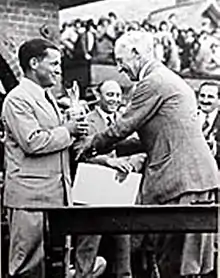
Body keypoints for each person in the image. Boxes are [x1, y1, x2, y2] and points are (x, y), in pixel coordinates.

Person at [75, 31, 219, 278]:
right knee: (182, 264)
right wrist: (114, 149)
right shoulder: (167, 78)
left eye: (121, 60)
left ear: (136, 54)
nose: (119, 68)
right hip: (192, 179)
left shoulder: (152, 82)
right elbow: (156, 136)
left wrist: (88, 147)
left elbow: (122, 127)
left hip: (182, 182)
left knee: (178, 265)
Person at [1, 38, 91, 278]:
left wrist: (76, 130)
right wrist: (68, 130)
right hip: (30, 199)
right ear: (34, 63)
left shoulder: (47, 97)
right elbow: (33, 141)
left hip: (54, 197)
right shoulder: (17, 99)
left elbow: (57, 139)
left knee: (56, 265)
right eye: (54, 63)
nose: (59, 70)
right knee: (27, 267)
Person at [75, 79, 146, 278]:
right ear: (98, 97)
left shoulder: (126, 120)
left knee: (123, 242)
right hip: (94, 189)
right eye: (110, 95)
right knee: (89, 240)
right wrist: (108, 161)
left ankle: (124, 275)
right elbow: (80, 152)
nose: (115, 99)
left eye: (117, 95)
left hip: (121, 187)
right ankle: (83, 274)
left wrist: (131, 163)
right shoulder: (87, 120)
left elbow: (142, 150)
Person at [197, 81, 220, 168]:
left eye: (210, 97)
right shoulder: (188, 118)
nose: (205, 100)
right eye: (202, 96)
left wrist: (215, 147)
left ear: (219, 100)